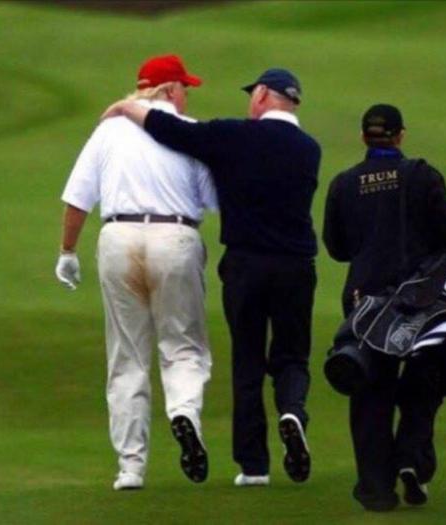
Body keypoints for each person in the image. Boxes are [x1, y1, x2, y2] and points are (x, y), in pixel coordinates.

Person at [100, 68, 320, 487]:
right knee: (292, 355)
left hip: (245, 265)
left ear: (261, 95)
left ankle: (253, 466)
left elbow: (171, 131)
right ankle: (292, 412)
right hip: (295, 266)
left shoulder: (232, 135)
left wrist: (128, 107)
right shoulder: (309, 149)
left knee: (248, 361)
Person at [55, 55, 217, 490]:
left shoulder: (109, 130)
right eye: (184, 88)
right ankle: (183, 412)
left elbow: (78, 197)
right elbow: (212, 199)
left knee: (127, 355)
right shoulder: (189, 132)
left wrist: (67, 251)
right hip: (175, 237)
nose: (186, 97)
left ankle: (130, 467)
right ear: (169, 90)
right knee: (182, 346)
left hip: (118, 237)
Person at [322, 104, 446, 511]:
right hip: (422, 300)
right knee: (425, 381)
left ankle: (376, 489)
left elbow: (336, 248)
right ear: (400, 135)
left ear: (363, 137)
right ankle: (411, 458)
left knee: (370, 391)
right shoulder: (422, 175)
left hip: (364, 302)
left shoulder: (344, 183)